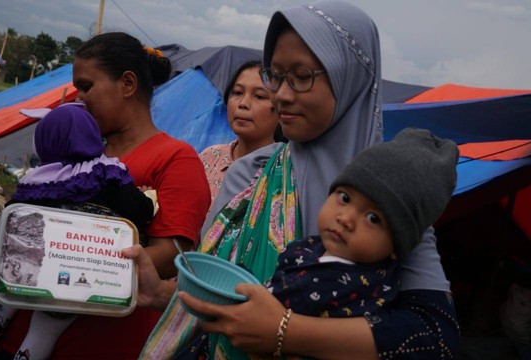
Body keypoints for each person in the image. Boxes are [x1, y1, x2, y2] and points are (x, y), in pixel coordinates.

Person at [131, 1, 460, 359]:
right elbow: (219, 292)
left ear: (349, 79)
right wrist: (161, 294)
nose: (282, 95)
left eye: (302, 77)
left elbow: (435, 334)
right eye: (276, 74)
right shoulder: (248, 174)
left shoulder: (392, 193)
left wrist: (286, 332)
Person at [0, 32, 211, 359]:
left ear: (127, 84)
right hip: (14, 334)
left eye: (86, 86)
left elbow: (170, 255)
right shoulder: (76, 151)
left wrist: (73, 266)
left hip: (96, 344)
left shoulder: (176, 159)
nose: (78, 98)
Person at [0, 103, 156, 360]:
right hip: (74, 275)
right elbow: (141, 211)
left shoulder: (38, 180)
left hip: (25, 267)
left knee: (3, 299)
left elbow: (10, 217)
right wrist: (146, 198)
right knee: (46, 328)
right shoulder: (108, 175)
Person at [267, 128, 458, 321]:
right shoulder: (310, 247)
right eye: (345, 197)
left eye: (373, 218)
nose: (346, 219)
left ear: (398, 246)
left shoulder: (356, 289)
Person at [199, 60, 280, 203]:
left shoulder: (285, 172)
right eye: (237, 92)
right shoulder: (209, 158)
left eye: (259, 96)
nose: (243, 103)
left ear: (281, 109)